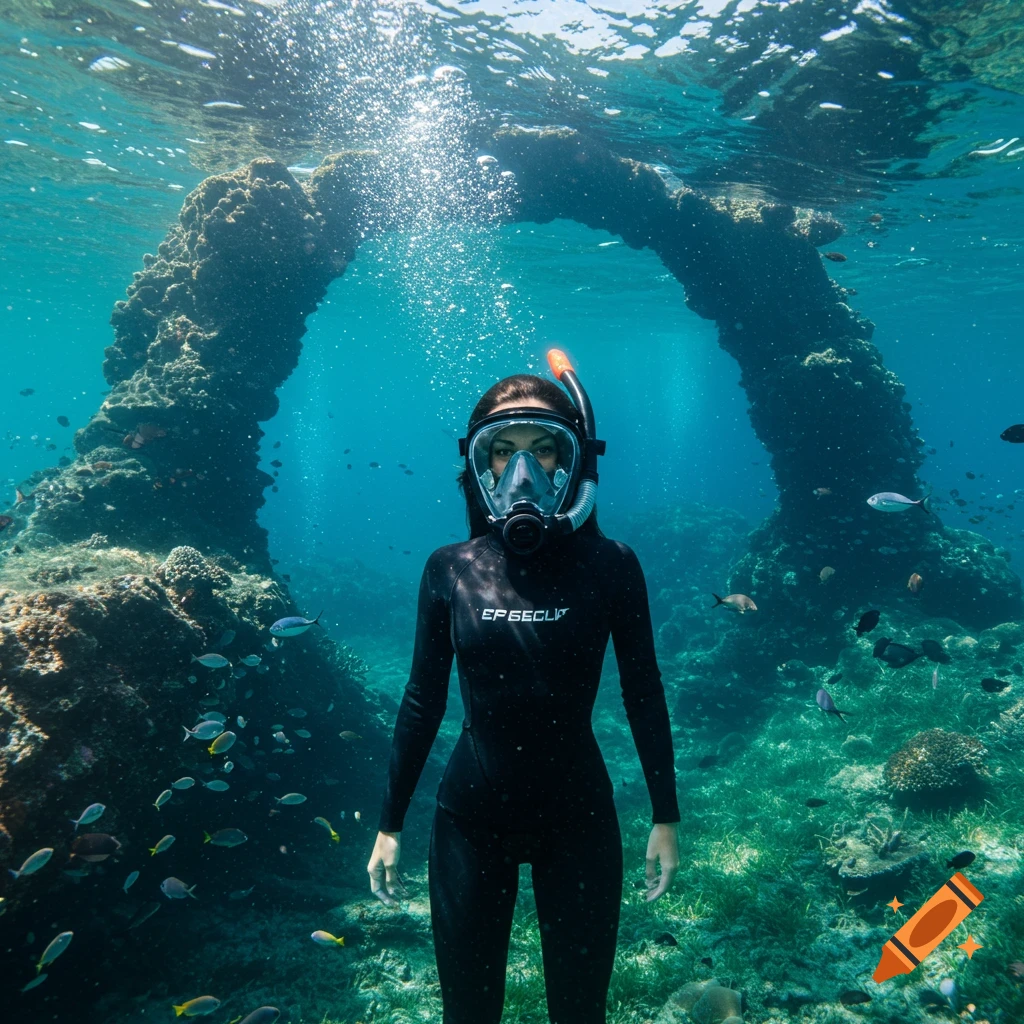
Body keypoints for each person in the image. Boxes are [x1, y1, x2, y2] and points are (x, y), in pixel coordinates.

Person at [366, 350, 680, 1024]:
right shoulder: (449, 569)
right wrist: (389, 824)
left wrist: (665, 814)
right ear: (477, 469)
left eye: (545, 452)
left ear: (576, 468)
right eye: (501, 453)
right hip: (469, 824)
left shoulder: (613, 565)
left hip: (581, 821)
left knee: (579, 1015)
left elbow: (643, 691)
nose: (523, 475)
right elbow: (422, 700)